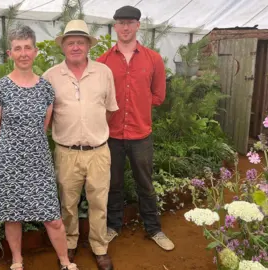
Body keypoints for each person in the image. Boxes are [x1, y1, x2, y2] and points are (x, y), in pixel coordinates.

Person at [0, 25, 78, 270]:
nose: (23, 53)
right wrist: (15, 148)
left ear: (35, 51)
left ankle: (64, 261)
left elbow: (44, 126)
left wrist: (28, 147)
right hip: (9, 163)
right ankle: (17, 260)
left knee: (53, 218)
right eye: (18, 48)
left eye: (28, 47)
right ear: (10, 54)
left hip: (38, 163)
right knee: (12, 216)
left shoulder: (46, 89)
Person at [96, 5, 175, 251]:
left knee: (145, 183)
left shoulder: (153, 59)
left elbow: (159, 95)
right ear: (115, 27)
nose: (125, 27)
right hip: (112, 136)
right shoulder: (103, 62)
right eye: (120, 22)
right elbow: (98, 98)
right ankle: (113, 227)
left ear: (138, 25)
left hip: (141, 135)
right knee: (113, 184)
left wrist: (139, 104)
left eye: (130, 22)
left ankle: (154, 229)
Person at [43, 20, 118, 270]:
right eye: (71, 42)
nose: (76, 47)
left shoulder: (104, 73)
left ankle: (99, 247)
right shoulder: (50, 76)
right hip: (66, 152)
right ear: (63, 46)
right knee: (67, 203)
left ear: (88, 46)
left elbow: (109, 110)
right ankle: (70, 244)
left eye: (80, 42)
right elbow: (46, 116)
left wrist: (94, 133)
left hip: (98, 152)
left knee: (99, 202)